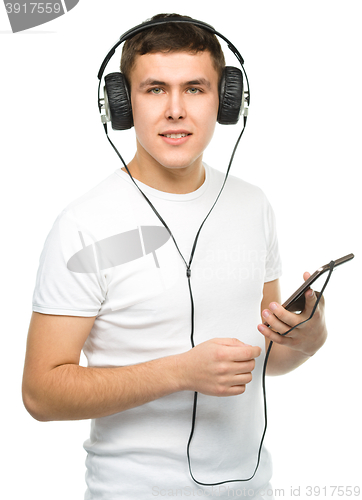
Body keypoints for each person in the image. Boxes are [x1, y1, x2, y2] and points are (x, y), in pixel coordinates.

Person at [22, 13, 328, 500]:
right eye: (155, 89)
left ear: (226, 101)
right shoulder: (85, 224)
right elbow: (41, 393)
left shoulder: (253, 205)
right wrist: (179, 372)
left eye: (195, 88)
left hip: (252, 491)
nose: (175, 110)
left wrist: (308, 338)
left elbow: (265, 358)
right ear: (122, 105)